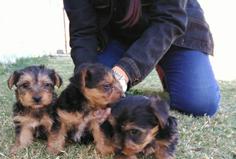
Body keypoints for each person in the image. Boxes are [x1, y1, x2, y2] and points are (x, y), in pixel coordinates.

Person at [63, 0, 221, 116]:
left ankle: (162, 65)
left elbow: (170, 20)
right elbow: (83, 32)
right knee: (96, 92)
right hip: (120, 37)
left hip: (177, 34)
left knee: (200, 104)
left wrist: (124, 72)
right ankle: (152, 62)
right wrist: (84, 74)